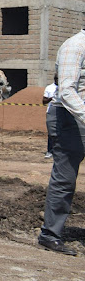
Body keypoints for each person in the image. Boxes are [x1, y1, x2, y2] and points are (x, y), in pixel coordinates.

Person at [37, 26, 85, 256]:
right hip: (70, 118)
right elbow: (66, 91)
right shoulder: (75, 46)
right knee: (65, 178)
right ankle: (50, 234)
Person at [42, 76, 58, 159]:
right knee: (51, 133)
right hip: (51, 112)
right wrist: (52, 98)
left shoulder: (65, 87)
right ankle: (50, 151)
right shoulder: (50, 88)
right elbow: (44, 101)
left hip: (63, 112)